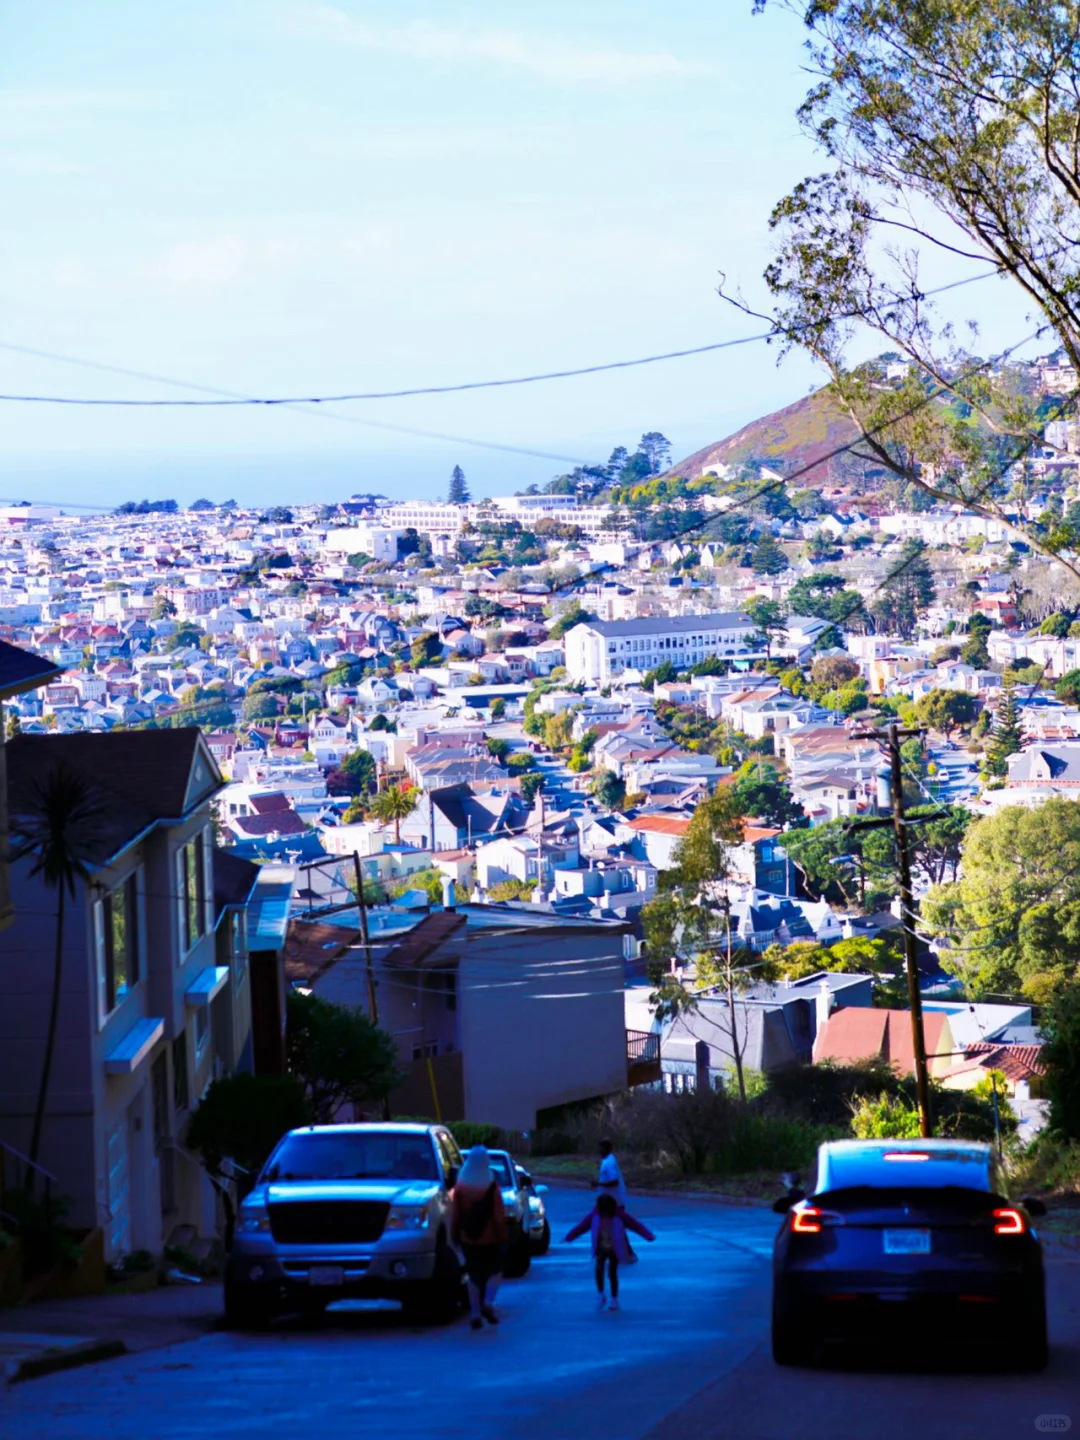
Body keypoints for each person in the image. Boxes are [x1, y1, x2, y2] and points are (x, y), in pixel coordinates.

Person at [564, 1192, 655, 1311]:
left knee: (612, 1272)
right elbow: (582, 1226)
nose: (605, 1216)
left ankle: (614, 1299)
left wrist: (648, 1236)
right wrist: (569, 1237)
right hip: (601, 1246)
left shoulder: (619, 1215)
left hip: (614, 1247)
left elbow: (635, 1225)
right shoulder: (595, 1215)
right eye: (603, 1213)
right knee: (599, 1268)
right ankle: (601, 1294)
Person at [450, 1146, 508, 1330]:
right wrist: (502, 1236)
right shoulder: (491, 1186)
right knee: (495, 1271)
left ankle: (475, 1313)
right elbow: (499, 1216)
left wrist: (454, 1236)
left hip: (468, 1238)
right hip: (490, 1238)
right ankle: (488, 1302)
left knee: (473, 1275)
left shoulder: (460, 1186)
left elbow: (455, 1214)